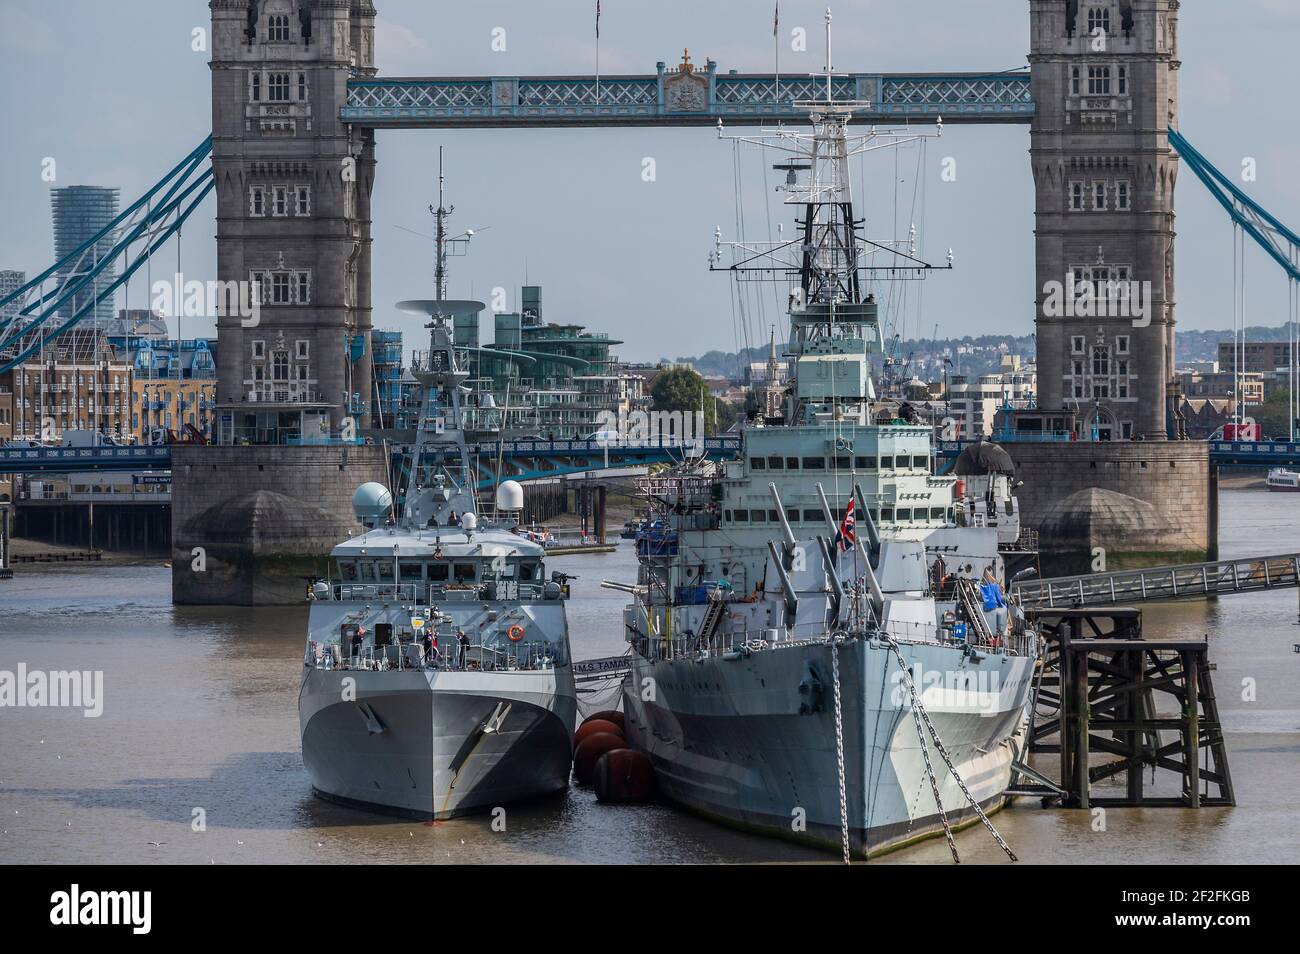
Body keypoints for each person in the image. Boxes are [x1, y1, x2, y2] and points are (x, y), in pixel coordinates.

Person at [979, 567, 1008, 639]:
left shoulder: (981, 586)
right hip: (992, 606)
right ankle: (1000, 636)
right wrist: (1001, 604)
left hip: (984, 605)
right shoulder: (995, 586)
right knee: (1002, 611)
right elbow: (998, 598)